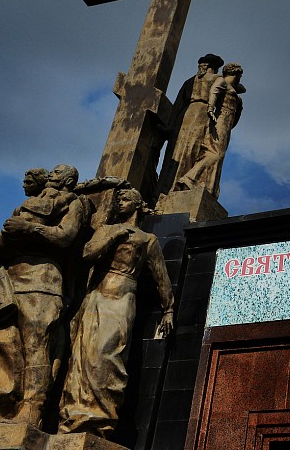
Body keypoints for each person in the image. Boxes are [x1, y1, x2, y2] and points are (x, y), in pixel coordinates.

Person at [0, 164, 89, 429]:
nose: (52, 174)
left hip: (44, 280)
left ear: (68, 180)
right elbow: (4, 239)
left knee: (37, 346)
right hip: (12, 280)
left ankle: (31, 409)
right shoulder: (28, 204)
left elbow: (66, 237)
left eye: (58, 172)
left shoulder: (74, 202)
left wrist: (28, 230)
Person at [58, 188, 174, 437]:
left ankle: (101, 418)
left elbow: (160, 277)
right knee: (83, 357)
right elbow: (87, 255)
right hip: (96, 297)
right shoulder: (107, 230)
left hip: (122, 299)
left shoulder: (147, 239)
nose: (120, 202)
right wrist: (113, 236)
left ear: (138, 205)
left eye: (126, 199)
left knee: (108, 355)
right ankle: (75, 414)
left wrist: (169, 309)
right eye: (119, 199)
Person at [157, 53, 224, 196]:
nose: (200, 68)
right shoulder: (218, 80)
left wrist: (170, 126)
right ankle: (178, 185)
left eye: (203, 65)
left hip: (187, 115)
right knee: (191, 151)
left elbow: (177, 106)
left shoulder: (190, 81)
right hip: (201, 115)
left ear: (206, 67)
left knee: (181, 151)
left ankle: (170, 186)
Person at [176, 62, 244, 199]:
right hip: (219, 120)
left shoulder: (234, 91)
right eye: (239, 75)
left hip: (226, 125)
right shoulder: (222, 81)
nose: (240, 78)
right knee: (214, 153)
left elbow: (237, 114)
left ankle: (208, 187)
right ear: (236, 74)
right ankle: (190, 178)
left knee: (219, 155)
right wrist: (210, 108)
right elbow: (214, 91)